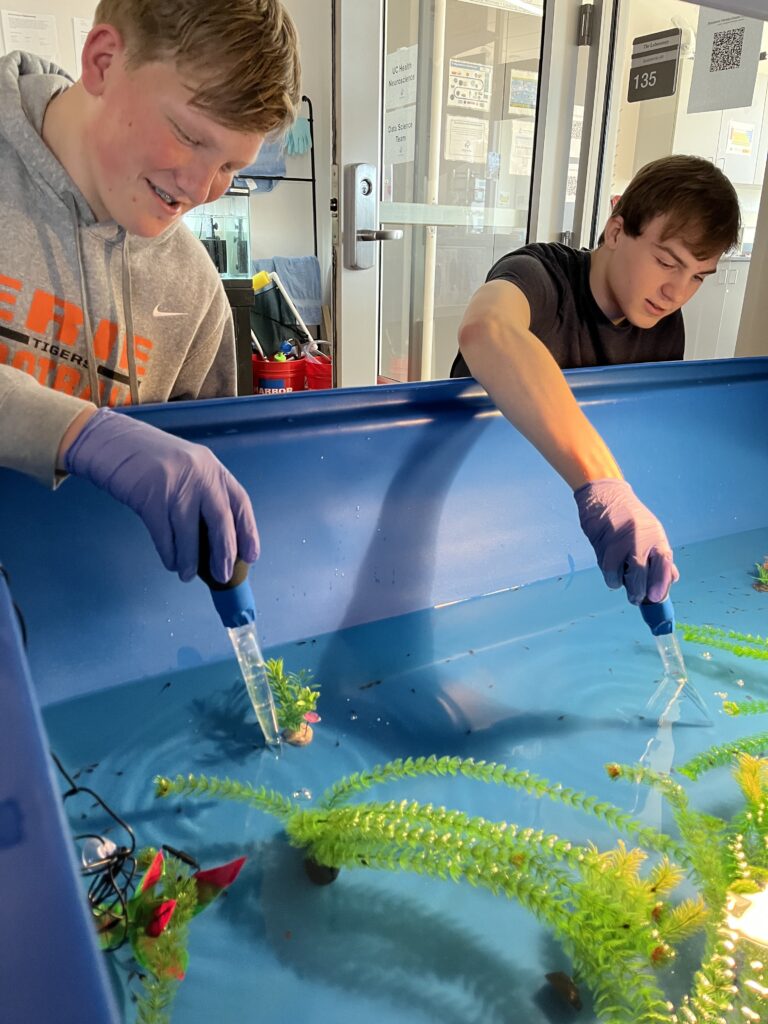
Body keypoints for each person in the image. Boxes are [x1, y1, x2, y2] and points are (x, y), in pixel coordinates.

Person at [0, 0, 302, 582]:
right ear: (104, 61)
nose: (199, 187)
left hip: (89, 609)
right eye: (189, 136)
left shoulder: (194, 290)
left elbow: (200, 493)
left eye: (231, 166)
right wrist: (80, 433)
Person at [452, 155, 741, 605]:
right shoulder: (541, 277)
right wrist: (604, 487)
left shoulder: (663, 327)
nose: (677, 293)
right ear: (616, 231)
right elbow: (486, 330)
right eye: (667, 262)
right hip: (474, 515)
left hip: (558, 538)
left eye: (698, 277)